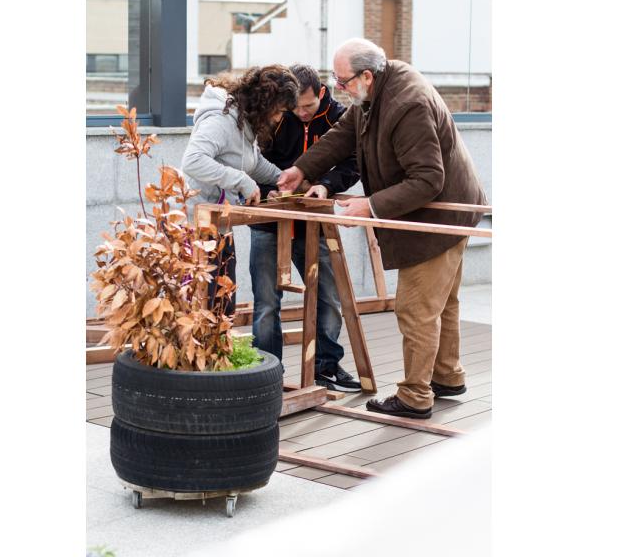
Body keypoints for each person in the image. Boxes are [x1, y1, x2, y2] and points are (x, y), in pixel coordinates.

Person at [278, 38, 487, 419]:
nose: (338, 89)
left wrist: (369, 206)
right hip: (446, 211)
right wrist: (302, 169)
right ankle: (446, 376)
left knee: (416, 308)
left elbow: (428, 180)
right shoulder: (376, 92)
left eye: (342, 82)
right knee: (443, 304)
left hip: (439, 217)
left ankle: (414, 396)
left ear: (367, 75)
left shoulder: (407, 104)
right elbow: (343, 135)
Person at [250, 63, 361, 392]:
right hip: (269, 220)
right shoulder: (276, 114)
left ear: (322, 93)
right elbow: (251, 157)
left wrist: (326, 184)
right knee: (266, 302)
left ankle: (325, 367)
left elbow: (354, 161)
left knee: (328, 297)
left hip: (315, 220)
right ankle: (268, 374)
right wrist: (267, 186)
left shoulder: (341, 117)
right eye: (294, 106)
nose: (300, 112)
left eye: (308, 106)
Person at [181, 65, 298, 315]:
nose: (279, 119)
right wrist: (241, 181)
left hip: (220, 223)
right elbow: (192, 161)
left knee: (223, 305)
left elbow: (251, 162)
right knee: (202, 306)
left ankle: (218, 353)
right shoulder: (222, 120)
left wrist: (285, 178)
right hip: (194, 226)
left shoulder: (245, 122)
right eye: (279, 111)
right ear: (264, 103)